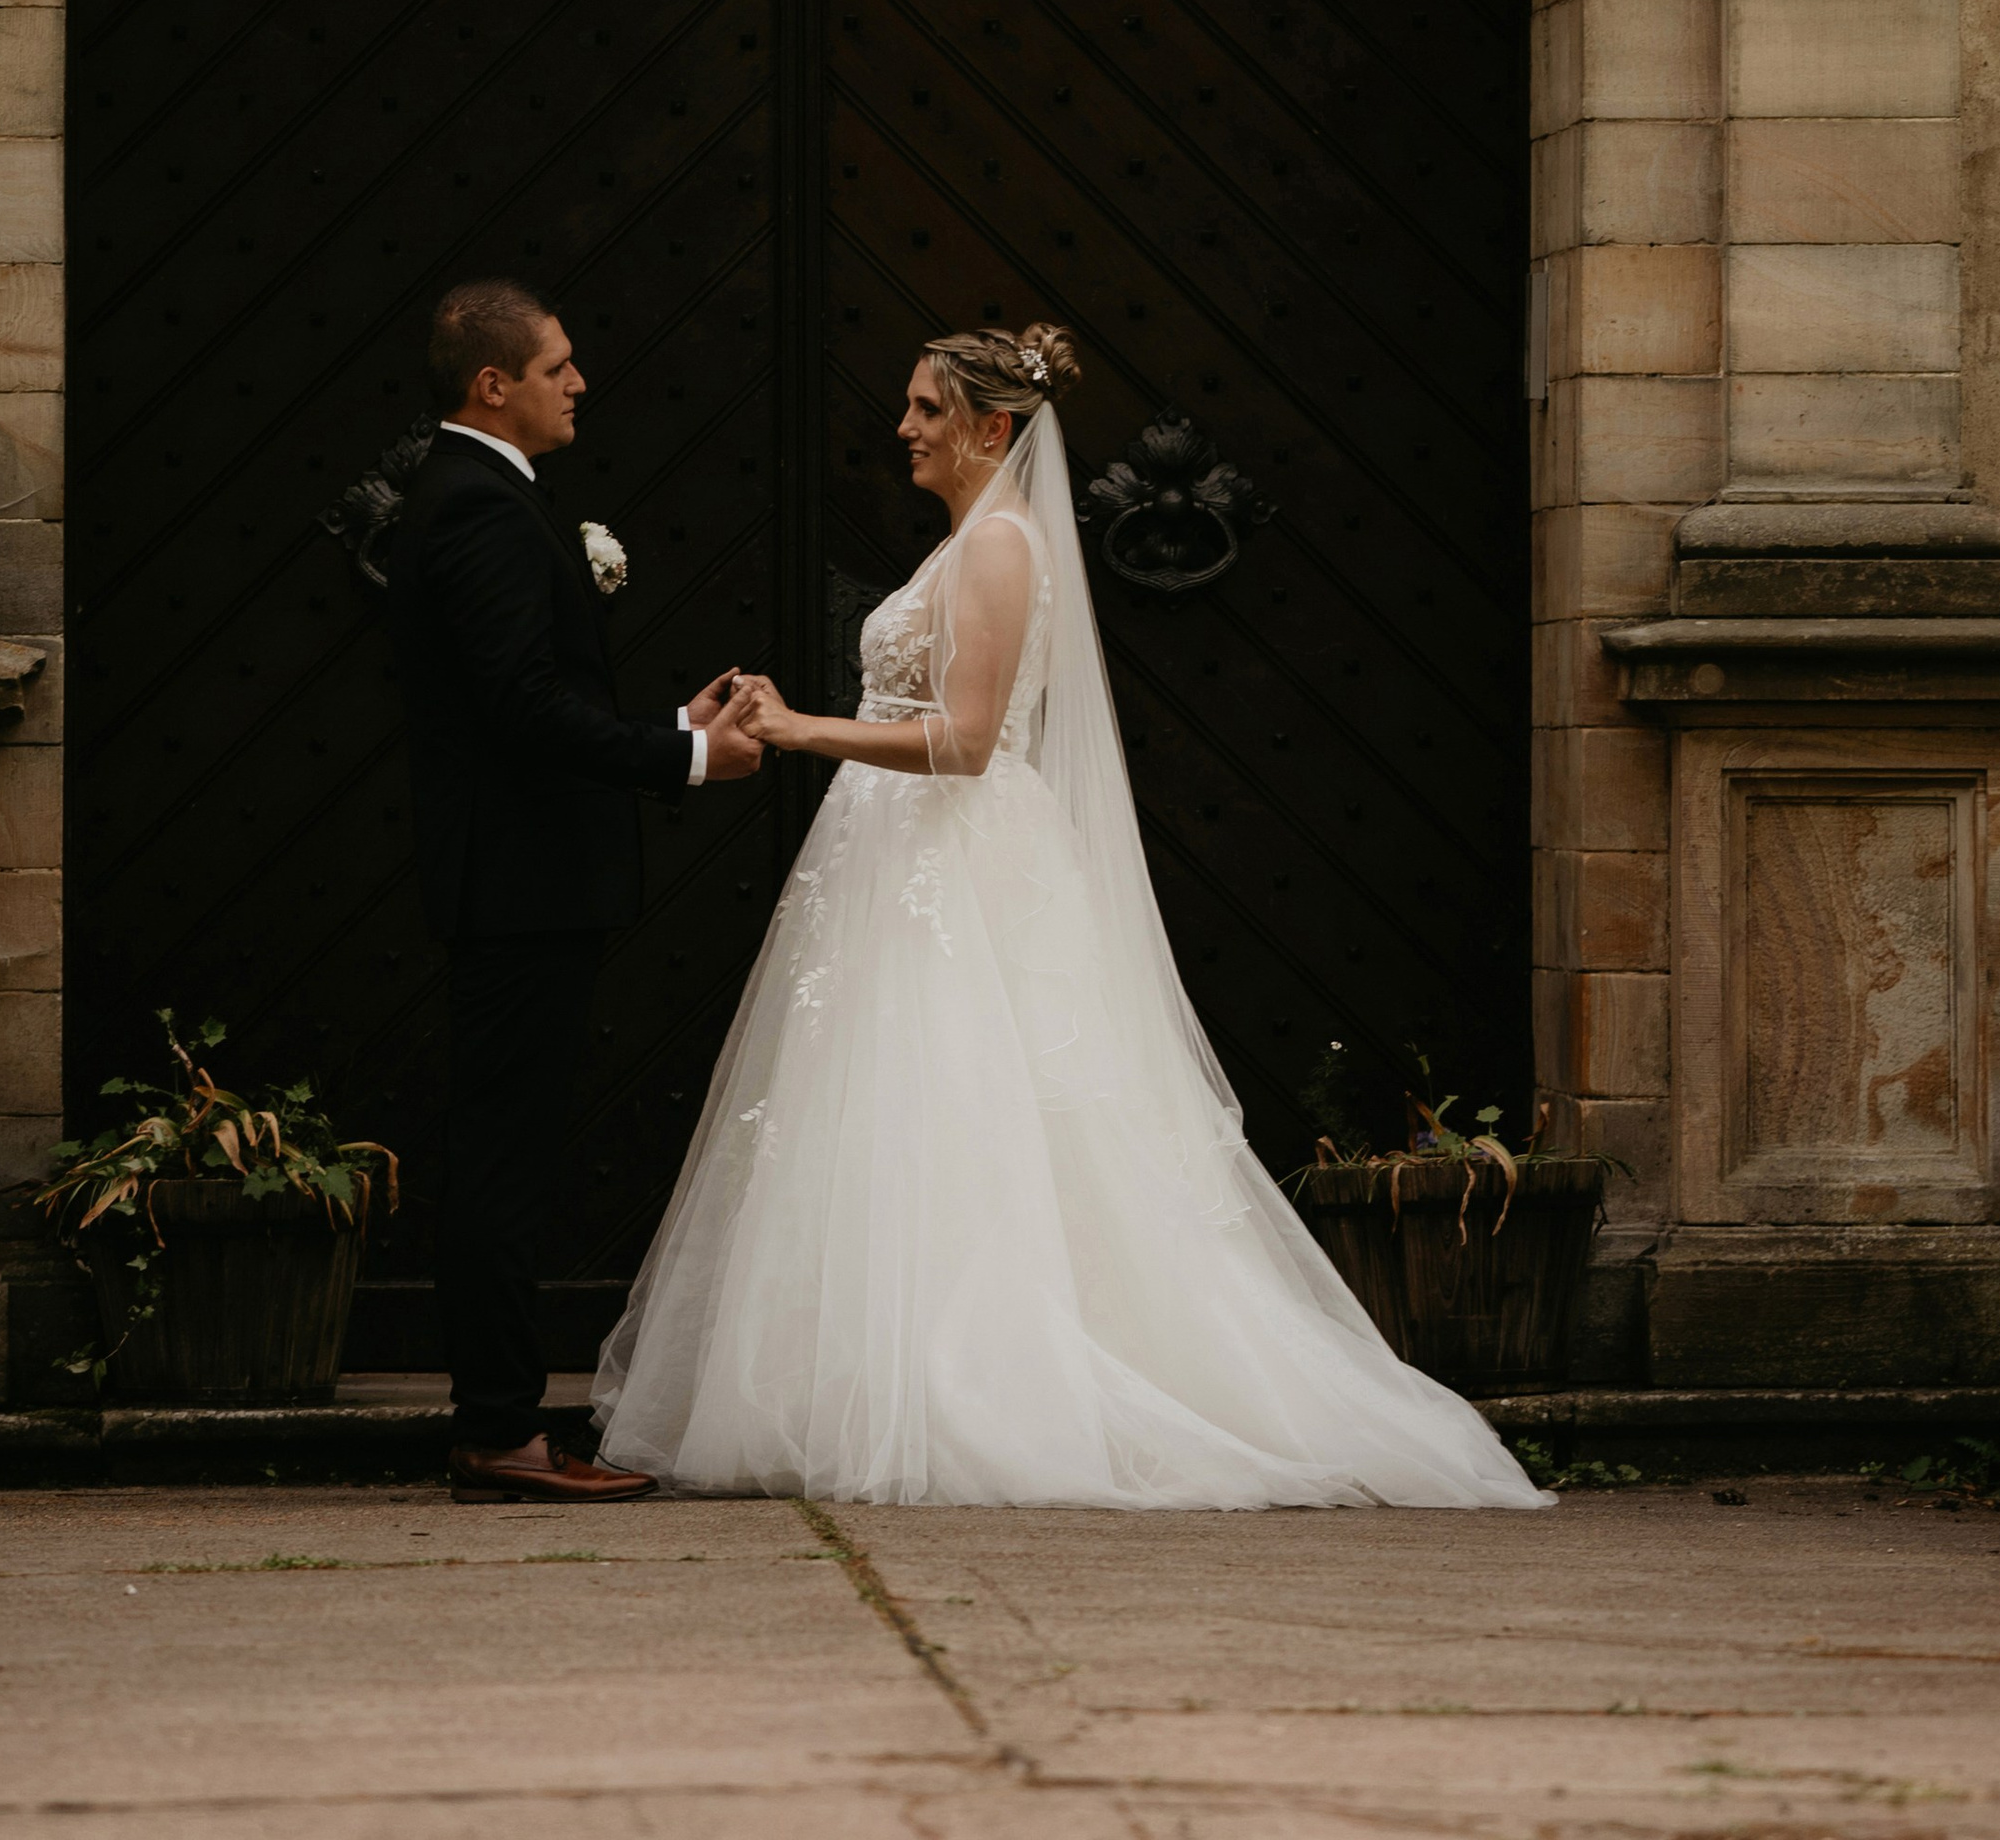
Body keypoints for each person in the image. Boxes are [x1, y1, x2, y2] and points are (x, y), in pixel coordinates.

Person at [593, 320, 1551, 1511]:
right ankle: (868, 1378)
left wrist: (797, 731)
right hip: (898, 862)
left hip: (953, 860)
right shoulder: (963, 549)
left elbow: (967, 739)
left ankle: (975, 1389)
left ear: (992, 428)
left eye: (926, 409)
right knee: (897, 1117)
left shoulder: (996, 547)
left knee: (974, 1110)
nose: (903, 427)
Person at [383, 279, 765, 1506]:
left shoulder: (484, 496)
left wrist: (664, 722)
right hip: (520, 888)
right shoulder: (480, 507)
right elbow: (520, 712)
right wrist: (691, 758)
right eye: (558, 367)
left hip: (525, 880)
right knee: (501, 1158)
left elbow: (529, 703)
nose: (580, 383)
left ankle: (502, 1423)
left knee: (513, 1147)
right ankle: (497, 1431)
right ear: (492, 384)